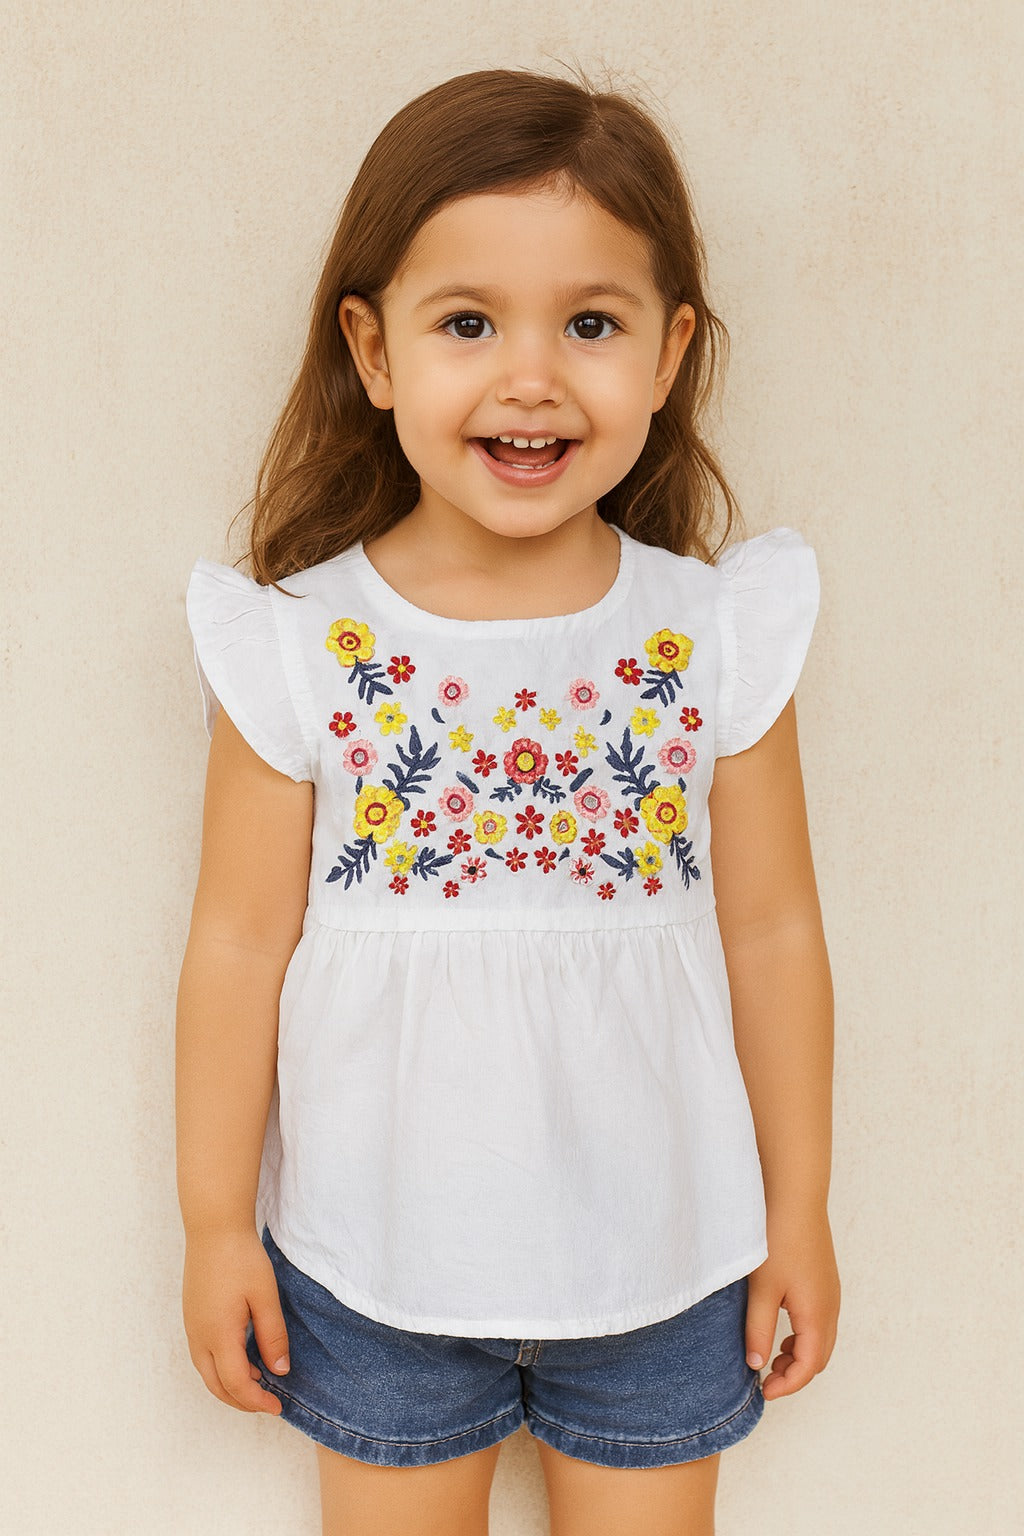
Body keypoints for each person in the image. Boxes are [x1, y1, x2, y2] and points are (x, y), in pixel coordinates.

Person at [177, 67, 840, 1536]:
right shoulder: (300, 646)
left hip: (668, 1255)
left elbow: (776, 933)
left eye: (590, 325)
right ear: (374, 348)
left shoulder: (714, 633)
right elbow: (235, 946)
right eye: (468, 323)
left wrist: (799, 1209)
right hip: (376, 1258)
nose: (531, 377)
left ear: (669, 355)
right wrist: (217, 1225)